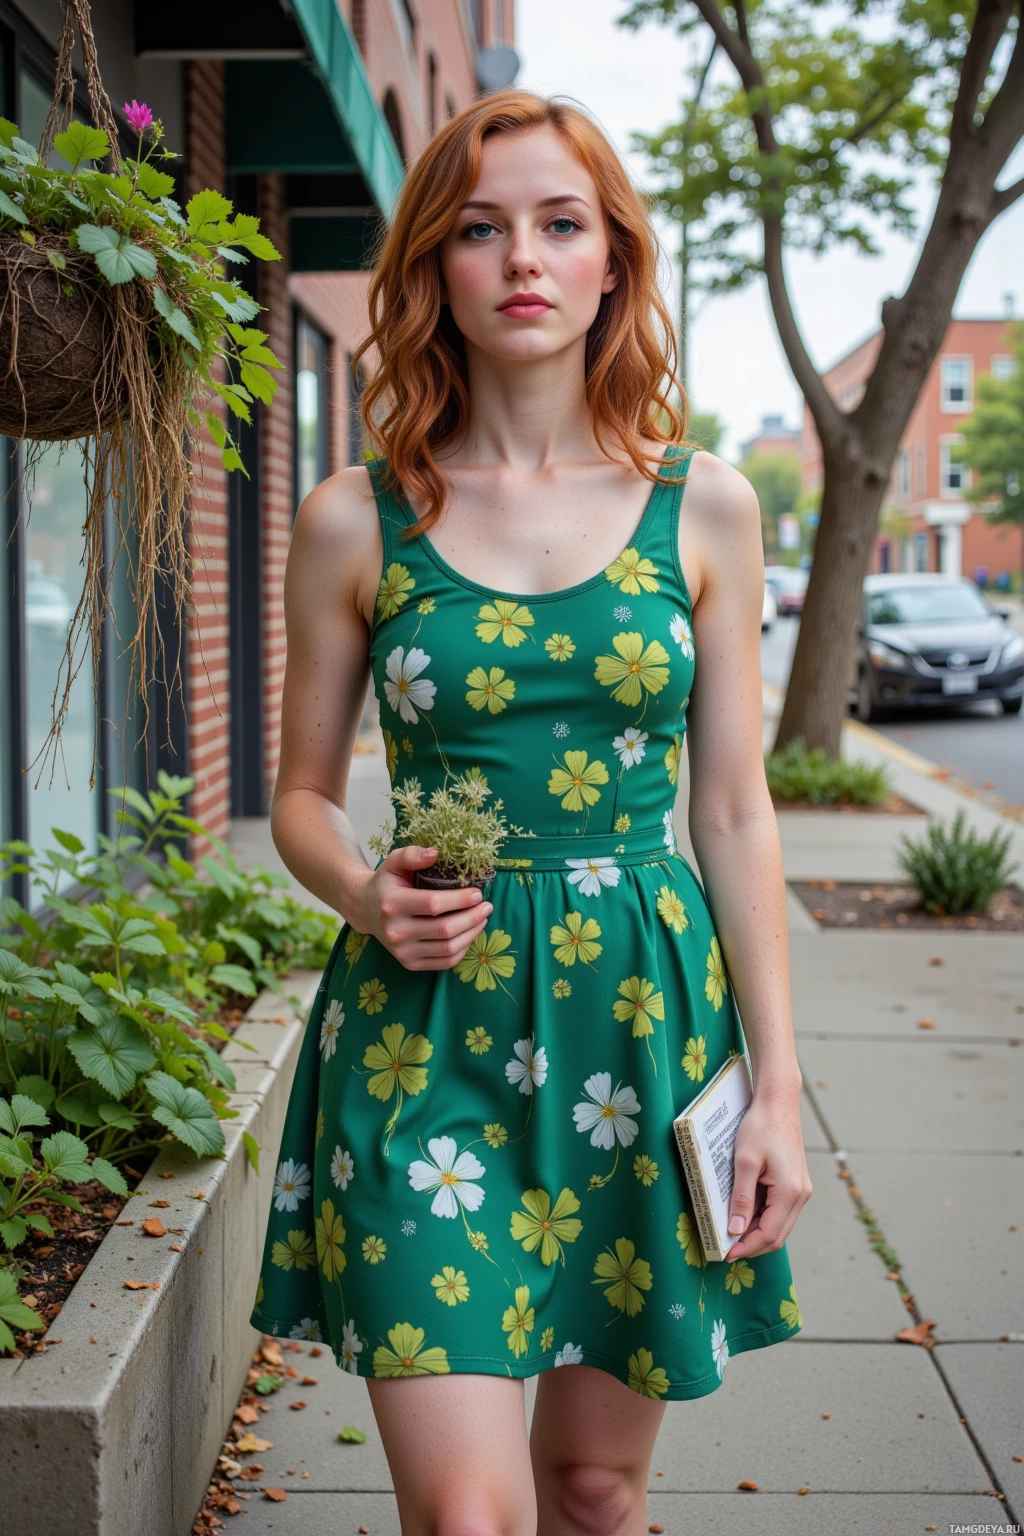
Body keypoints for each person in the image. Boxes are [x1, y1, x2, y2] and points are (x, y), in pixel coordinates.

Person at [251, 89, 812, 1534]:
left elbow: (737, 814)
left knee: (592, 1489)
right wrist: (370, 893)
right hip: (423, 1036)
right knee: (469, 1515)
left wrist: (778, 1092)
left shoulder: (706, 508)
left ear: (612, 260)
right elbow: (301, 799)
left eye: (562, 224)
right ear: (435, 264)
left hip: (642, 1020)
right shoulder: (354, 516)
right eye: (481, 227)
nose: (523, 258)